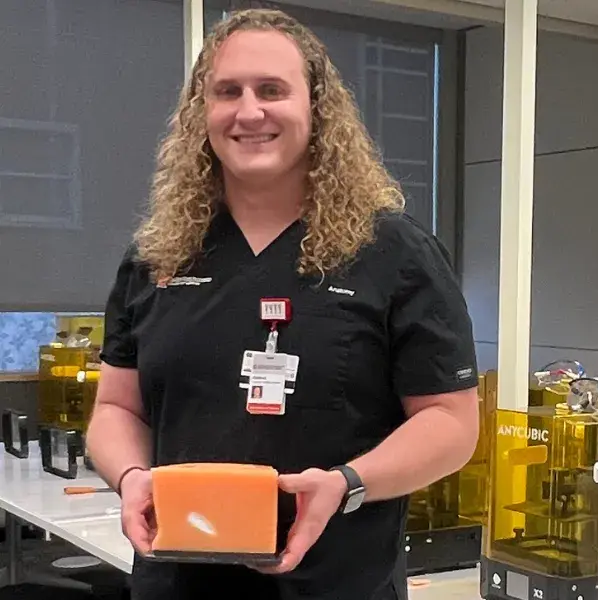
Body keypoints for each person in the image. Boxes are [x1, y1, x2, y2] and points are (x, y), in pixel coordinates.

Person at [85, 8, 480, 600]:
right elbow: (117, 409)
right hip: (178, 580)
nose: (249, 112)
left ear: (317, 111)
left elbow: (452, 423)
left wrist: (349, 482)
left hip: (337, 583)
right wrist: (131, 475)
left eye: (272, 90)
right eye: (227, 92)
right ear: (201, 114)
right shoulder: (158, 256)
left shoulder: (394, 253)